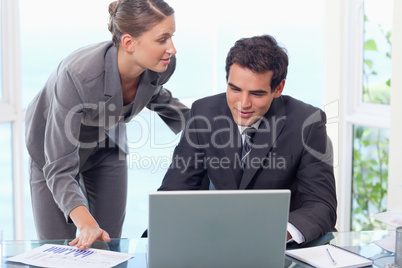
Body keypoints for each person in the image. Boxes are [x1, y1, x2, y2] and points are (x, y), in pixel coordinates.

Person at [25, 0, 189, 250]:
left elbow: (155, 95)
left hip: (106, 145)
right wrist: (86, 223)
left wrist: (206, 128)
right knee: (59, 250)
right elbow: (59, 168)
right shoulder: (78, 75)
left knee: (108, 247)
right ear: (129, 43)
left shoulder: (162, 66)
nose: (172, 49)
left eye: (172, 37)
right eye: (162, 39)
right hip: (53, 155)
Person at [159, 34, 337, 245]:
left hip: (282, 246)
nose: (243, 104)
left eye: (257, 94)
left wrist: (279, 233)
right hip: (218, 238)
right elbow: (174, 193)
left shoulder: (306, 123)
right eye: (234, 89)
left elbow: (322, 204)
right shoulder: (203, 113)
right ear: (227, 81)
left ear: (278, 89)